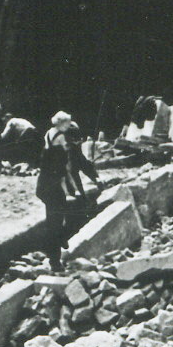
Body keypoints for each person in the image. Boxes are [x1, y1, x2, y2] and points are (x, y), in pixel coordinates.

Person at [36, 112, 100, 273]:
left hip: (49, 188)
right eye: (73, 141)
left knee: (60, 221)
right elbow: (64, 174)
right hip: (54, 189)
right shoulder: (59, 154)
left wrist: (93, 178)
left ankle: (60, 243)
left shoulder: (54, 147)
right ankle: (55, 259)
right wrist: (73, 192)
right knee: (56, 223)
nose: (74, 144)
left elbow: (79, 166)